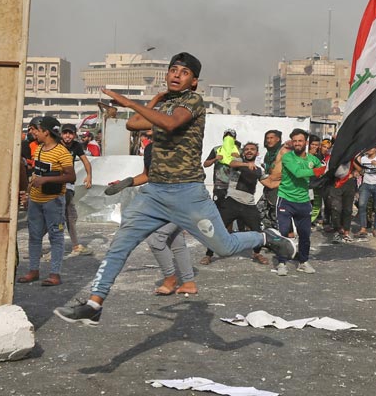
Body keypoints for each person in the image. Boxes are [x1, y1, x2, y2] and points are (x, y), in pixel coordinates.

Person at [54, 52, 296, 326]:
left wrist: (127, 101)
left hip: (187, 194)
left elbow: (169, 123)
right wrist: (155, 100)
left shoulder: (193, 101)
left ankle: (267, 238)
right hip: (154, 193)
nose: (175, 75)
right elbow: (133, 124)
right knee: (119, 245)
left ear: (194, 81)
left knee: (225, 247)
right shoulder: (165, 105)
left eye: (183, 72)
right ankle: (94, 303)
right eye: (172, 70)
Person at [105, 141, 197, 295]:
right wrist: (126, 183)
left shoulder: (180, 146)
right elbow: (146, 175)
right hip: (161, 202)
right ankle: (189, 283)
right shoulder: (150, 148)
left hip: (180, 200)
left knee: (155, 239)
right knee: (176, 241)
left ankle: (170, 279)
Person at [17, 116, 76, 287]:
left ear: (46, 132)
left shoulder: (62, 152)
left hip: (53, 201)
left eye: (37, 129)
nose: (34, 133)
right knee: (34, 236)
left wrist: (46, 181)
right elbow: (36, 174)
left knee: (55, 237)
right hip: (36, 200)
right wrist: (27, 194)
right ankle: (33, 270)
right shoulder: (39, 149)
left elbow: (71, 176)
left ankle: (54, 274)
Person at [272, 130, 324, 275]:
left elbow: (323, 169)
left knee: (305, 234)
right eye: (294, 141)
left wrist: (327, 169)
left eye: (300, 141)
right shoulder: (288, 157)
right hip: (286, 199)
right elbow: (298, 173)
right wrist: (316, 171)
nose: (297, 143)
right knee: (283, 233)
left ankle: (303, 261)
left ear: (305, 143)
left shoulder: (312, 159)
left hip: (303, 201)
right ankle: (281, 262)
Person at [224, 142, 270, 266]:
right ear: (243, 152)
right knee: (219, 228)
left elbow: (269, 184)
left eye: (252, 149)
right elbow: (231, 163)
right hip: (232, 201)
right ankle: (209, 254)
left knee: (257, 230)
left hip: (248, 204)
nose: (249, 151)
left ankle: (256, 253)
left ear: (257, 153)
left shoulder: (259, 169)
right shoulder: (238, 161)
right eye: (247, 149)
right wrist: (246, 164)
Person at [200, 129, 239, 265]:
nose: (229, 139)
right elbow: (205, 164)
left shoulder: (237, 149)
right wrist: (216, 159)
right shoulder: (217, 149)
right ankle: (209, 253)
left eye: (231, 137)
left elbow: (243, 164)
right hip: (219, 187)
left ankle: (231, 244)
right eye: (227, 136)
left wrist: (237, 158)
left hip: (235, 188)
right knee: (217, 217)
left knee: (236, 217)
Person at [60, 123, 94, 256]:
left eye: (70, 133)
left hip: (68, 184)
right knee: (63, 216)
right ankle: (70, 246)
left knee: (69, 216)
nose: (67, 136)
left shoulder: (76, 146)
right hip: (59, 184)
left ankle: (74, 245)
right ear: (61, 134)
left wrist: (89, 175)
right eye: (65, 133)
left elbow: (86, 161)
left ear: (74, 135)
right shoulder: (57, 145)